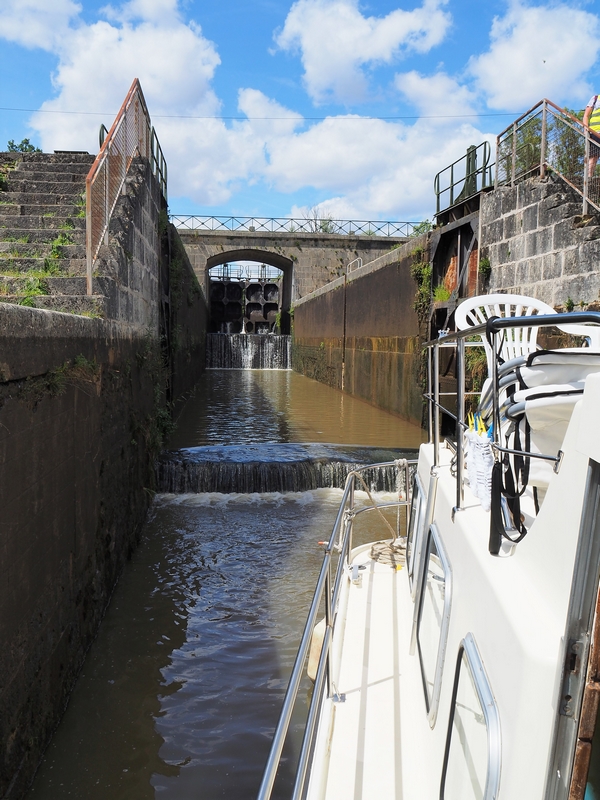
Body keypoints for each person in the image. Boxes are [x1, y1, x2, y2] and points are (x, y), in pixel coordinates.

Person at [583, 95, 600, 179]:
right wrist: (586, 129)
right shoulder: (595, 98)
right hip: (595, 132)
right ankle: (589, 177)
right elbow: (586, 115)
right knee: (593, 156)